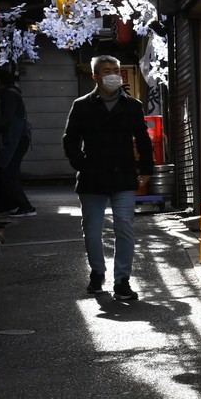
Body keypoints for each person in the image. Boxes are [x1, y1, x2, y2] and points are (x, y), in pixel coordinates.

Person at [62, 55, 154, 300]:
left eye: (116, 69)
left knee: (124, 226)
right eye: (107, 70)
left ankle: (122, 280)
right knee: (92, 230)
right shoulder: (82, 105)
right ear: (95, 76)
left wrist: (146, 170)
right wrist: (82, 163)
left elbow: (143, 140)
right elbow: (70, 139)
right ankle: (97, 272)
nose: (114, 74)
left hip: (123, 174)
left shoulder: (132, 105)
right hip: (92, 177)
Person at [0, 69, 36, 218]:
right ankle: (11, 205)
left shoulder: (9, 94)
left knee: (8, 173)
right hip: (19, 138)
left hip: (16, 139)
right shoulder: (13, 93)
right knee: (9, 172)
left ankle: (25, 206)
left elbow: (7, 119)